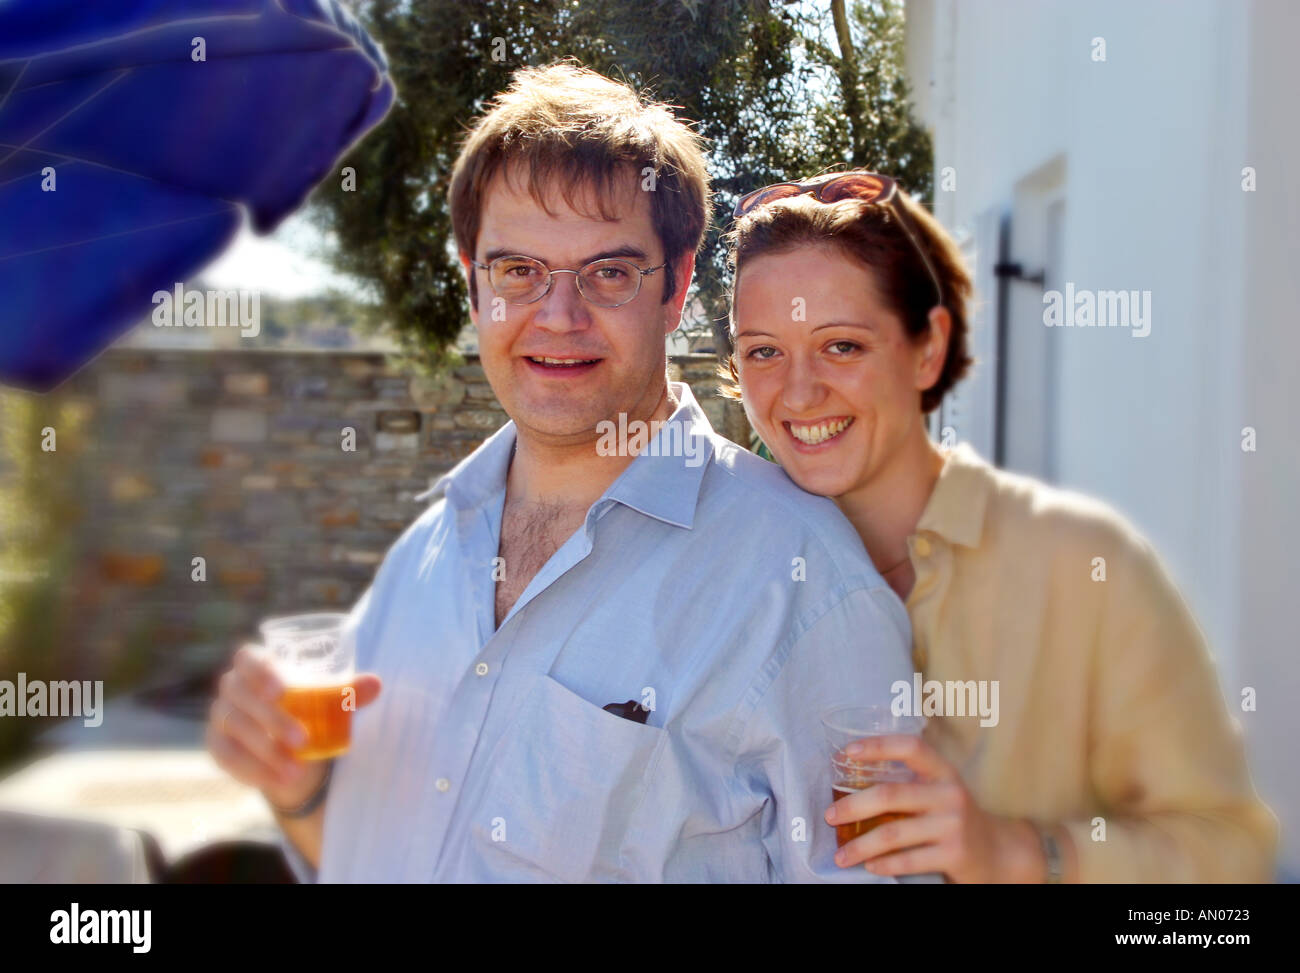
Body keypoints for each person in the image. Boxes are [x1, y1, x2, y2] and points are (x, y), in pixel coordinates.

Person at [207, 65, 920, 882]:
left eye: (609, 272)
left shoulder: (802, 581)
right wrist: (301, 795)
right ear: (475, 285)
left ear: (676, 287)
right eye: (519, 271)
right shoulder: (422, 559)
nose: (559, 316)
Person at [722, 169, 1278, 882]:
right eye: (764, 350)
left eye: (842, 346)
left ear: (927, 349)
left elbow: (1230, 872)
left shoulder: (1080, 563)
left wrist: (1022, 853)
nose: (798, 392)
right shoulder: (731, 558)